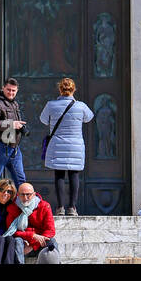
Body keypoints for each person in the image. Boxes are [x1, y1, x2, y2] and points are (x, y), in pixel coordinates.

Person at [40, 77, 93, 216]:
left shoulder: (51, 105)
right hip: (75, 145)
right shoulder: (81, 106)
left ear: (60, 89)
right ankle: (72, 207)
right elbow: (89, 118)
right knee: (74, 175)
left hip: (57, 144)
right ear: (74, 89)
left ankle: (60, 207)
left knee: (59, 175)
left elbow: (43, 120)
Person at [4, 181, 60, 263]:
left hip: (38, 244)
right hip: (22, 245)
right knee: (17, 241)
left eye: (28, 194)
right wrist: (32, 235)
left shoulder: (44, 206)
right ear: (18, 195)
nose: (25, 198)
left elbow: (50, 230)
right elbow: (12, 231)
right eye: (22, 194)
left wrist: (33, 245)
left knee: (51, 241)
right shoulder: (12, 207)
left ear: (34, 194)